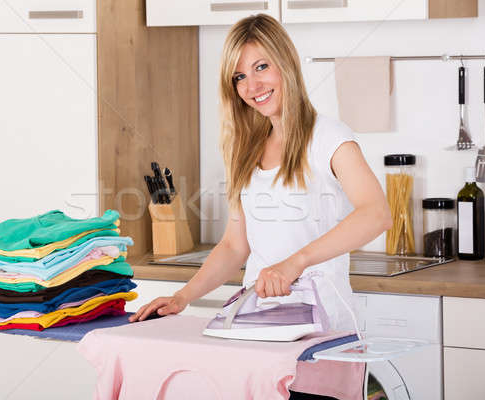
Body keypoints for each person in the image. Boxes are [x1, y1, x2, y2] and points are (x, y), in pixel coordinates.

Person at [130, 13, 390, 342]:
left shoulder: (330, 138)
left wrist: (295, 263)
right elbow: (234, 245)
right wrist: (184, 296)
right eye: (239, 76)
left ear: (286, 63)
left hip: (323, 329)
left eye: (261, 67)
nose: (251, 87)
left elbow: (376, 214)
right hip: (257, 324)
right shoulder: (245, 149)